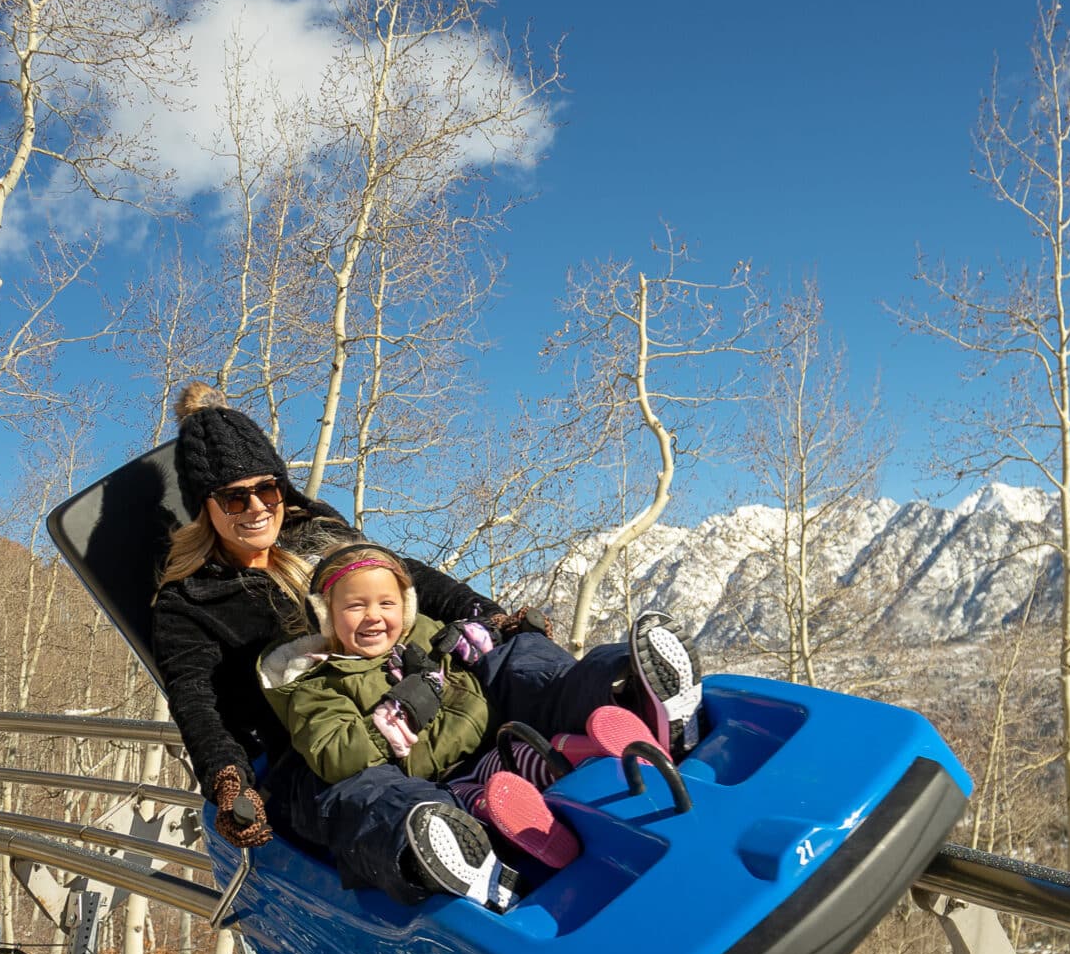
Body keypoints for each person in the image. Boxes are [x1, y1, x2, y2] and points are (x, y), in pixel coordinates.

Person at [149, 380, 702, 905]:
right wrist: (229, 783)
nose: (255, 509)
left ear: (281, 486)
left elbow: (408, 577)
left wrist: (488, 616)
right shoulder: (189, 601)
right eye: (233, 498)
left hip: (421, 683)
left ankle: (628, 701)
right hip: (329, 738)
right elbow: (197, 700)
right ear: (206, 507)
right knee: (358, 796)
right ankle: (443, 845)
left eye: (265, 489)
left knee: (510, 656)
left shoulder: (317, 532)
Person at [262, 541, 661, 905]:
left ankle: (617, 703)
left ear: (405, 606)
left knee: (519, 667)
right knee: (381, 795)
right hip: (436, 787)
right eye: (355, 606)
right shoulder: (317, 686)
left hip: (495, 746)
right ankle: (470, 849)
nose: (374, 617)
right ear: (326, 617)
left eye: (386, 603)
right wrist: (399, 715)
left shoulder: (426, 638)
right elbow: (334, 753)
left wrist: (480, 644)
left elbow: (484, 671)